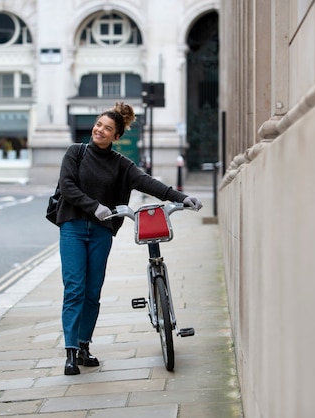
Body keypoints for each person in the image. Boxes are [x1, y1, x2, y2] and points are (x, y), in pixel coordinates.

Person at [54, 102, 203, 375]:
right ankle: (70, 352)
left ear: (116, 136)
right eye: (99, 125)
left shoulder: (121, 165)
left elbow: (149, 184)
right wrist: (93, 206)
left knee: (92, 291)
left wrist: (182, 198)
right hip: (73, 227)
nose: (99, 130)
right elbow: (67, 186)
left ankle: (84, 345)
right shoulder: (75, 152)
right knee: (75, 288)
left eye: (107, 128)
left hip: (101, 232)